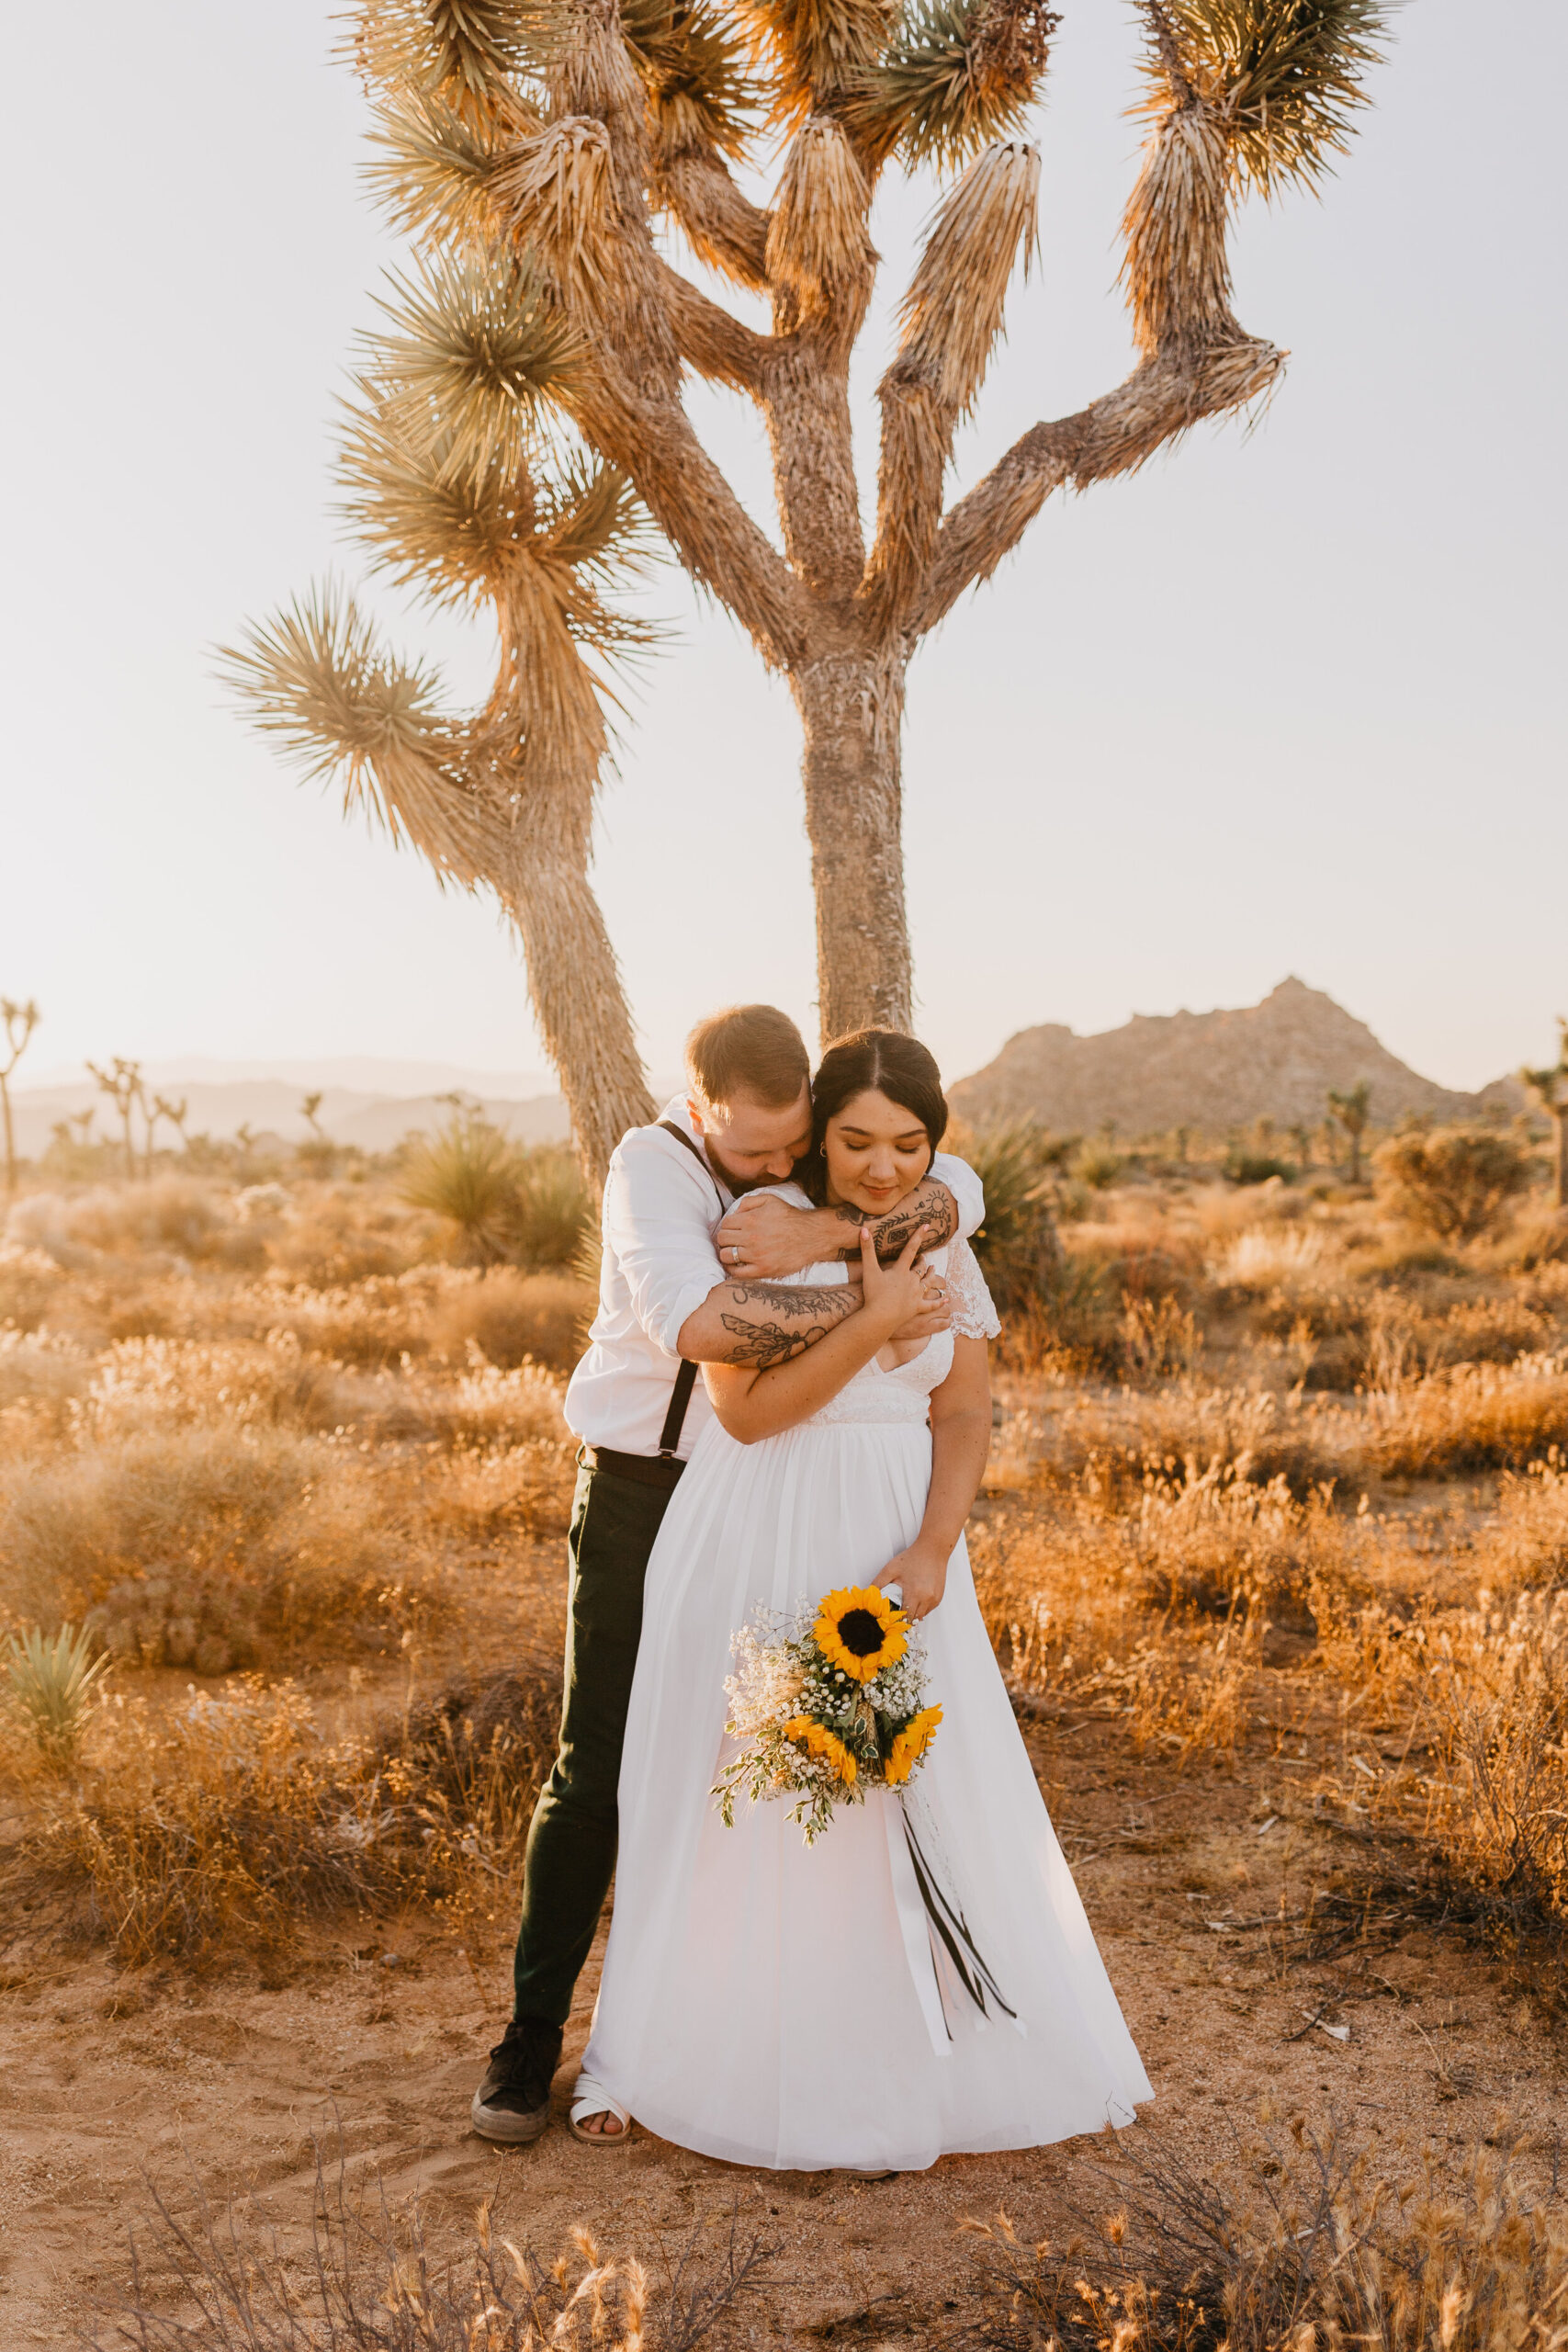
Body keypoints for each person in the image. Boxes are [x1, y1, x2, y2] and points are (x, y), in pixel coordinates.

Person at [574, 1030, 1151, 2171]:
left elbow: (966, 1410)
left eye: (910, 1145)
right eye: (856, 1141)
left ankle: (908, 2042)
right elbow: (745, 1413)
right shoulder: (757, 1233)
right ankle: (656, 2053)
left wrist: (938, 1543)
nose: (884, 1167)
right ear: (818, 1133)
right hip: (760, 1531)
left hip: (897, 1544)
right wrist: (876, 1319)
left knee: (913, 1787)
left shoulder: (940, 1232)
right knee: (736, 1787)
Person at [470, 1005, 986, 2144]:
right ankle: (531, 2041)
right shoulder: (651, 1167)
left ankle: (734, 2025)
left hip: (765, 1500)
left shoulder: (804, 1162)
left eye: (787, 1145)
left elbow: (948, 1181)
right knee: (602, 1762)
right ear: (702, 1110)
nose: (773, 1167)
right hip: (644, 1487)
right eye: (751, 1152)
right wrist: (874, 1292)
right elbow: (705, 1324)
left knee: (742, 1765)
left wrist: (821, 1238)